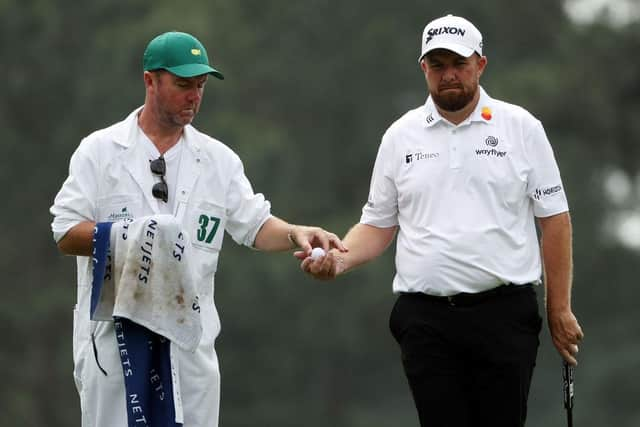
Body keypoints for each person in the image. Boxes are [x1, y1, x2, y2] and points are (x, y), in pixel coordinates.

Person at [300, 14, 584, 427]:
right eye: (438, 65)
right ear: (424, 69)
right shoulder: (401, 135)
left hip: (503, 315)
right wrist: (339, 259)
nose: (449, 74)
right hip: (425, 319)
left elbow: (554, 220)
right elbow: (378, 224)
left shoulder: (520, 127)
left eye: (459, 64)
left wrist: (559, 308)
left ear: (480, 65)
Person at [50, 31, 345, 427]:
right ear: (150, 80)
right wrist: (136, 237)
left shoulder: (218, 159)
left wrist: (296, 232)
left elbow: (253, 225)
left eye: (200, 86)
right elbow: (66, 231)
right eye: (183, 85)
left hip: (190, 349)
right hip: (115, 345)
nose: (194, 96)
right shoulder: (100, 151)